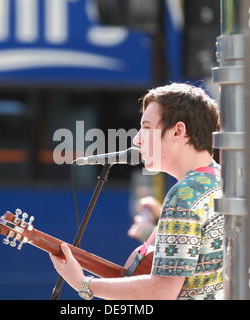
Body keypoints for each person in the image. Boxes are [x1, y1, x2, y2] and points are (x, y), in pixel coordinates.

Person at [49, 82, 223, 300]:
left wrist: (83, 283)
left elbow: (161, 291)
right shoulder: (221, 183)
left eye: (147, 128)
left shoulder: (185, 194)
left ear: (178, 131)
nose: (137, 139)